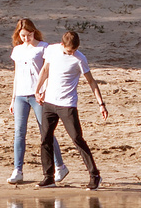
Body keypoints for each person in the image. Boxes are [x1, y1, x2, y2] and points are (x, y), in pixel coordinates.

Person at [34, 29, 105, 191]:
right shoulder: (52, 50)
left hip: (67, 104)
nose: (72, 53)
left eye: (74, 50)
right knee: (45, 138)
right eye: (69, 51)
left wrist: (101, 104)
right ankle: (48, 177)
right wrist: (37, 90)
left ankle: (95, 175)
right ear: (62, 45)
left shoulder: (79, 59)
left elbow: (91, 82)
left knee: (76, 138)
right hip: (50, 102)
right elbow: (45, 70)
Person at [6, 18, 64, 185]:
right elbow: (17, 75)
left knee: (45, 131)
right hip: (21, 96)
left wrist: (44, 91)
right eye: (23, 35)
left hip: (37, 94)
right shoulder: (17, 50)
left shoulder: (43, 48)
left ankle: (59, 166)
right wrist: (13, 98)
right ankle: (18, 170)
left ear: (34, 32)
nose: (26, 38)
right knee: (19, 133)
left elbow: (47, 71)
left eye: (29, 35)